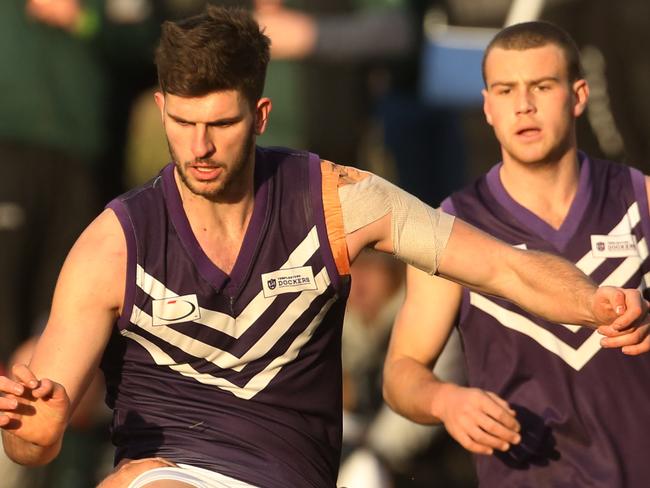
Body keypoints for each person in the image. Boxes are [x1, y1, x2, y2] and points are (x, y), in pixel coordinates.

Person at [0, 9, 647, 488]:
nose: (198, 148)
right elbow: (37, 440)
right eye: (183, 123)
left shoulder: (338, 201)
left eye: (221, 124)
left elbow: (506, 265)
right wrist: (35, 431)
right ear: (162, 107)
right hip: (163, 474)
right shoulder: (114, 245)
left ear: (260, 114)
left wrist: (601, 305)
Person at [383, 20, 650, 488]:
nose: (523, 106)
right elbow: (401, 372)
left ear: (579, 95)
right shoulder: (452, 226)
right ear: (487, 106)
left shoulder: (640, 196)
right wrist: (444, 401)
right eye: (505, 90)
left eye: (542, 86)